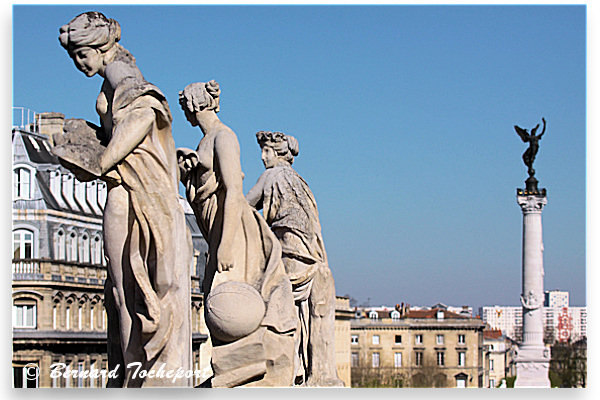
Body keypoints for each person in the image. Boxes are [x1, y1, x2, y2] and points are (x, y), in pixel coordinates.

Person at [58, 12, 192, 387]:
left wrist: (102, 161)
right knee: (125, 287)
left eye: (82, 54)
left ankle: (136, 375)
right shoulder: (116, 72)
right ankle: (135, 371)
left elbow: (145, 111)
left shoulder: (121, 75)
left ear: (101, 46)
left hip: (133, 191)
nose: (79, 63)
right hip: (136, 189)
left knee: (126, 289)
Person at [177, 82, 297, 387]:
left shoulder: (223, 137)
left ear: (193, 105)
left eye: (184, 106)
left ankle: (253, 375)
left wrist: (226, 246)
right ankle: (237, 375)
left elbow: (233, 191)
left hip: (234, 231)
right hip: (216, 231)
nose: (184, 112)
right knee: (218, 302)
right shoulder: (205, 140)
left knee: (233, 301)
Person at [246, 131, 343, 386]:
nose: (262, 157)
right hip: (310, 253)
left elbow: (245, 205)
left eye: (265, 151)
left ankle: (290, 368)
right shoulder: (299, 180)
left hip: (290, 251)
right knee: (302, 313)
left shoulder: (272, 175)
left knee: (283, 309)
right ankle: (304, 368)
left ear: (277, 153)